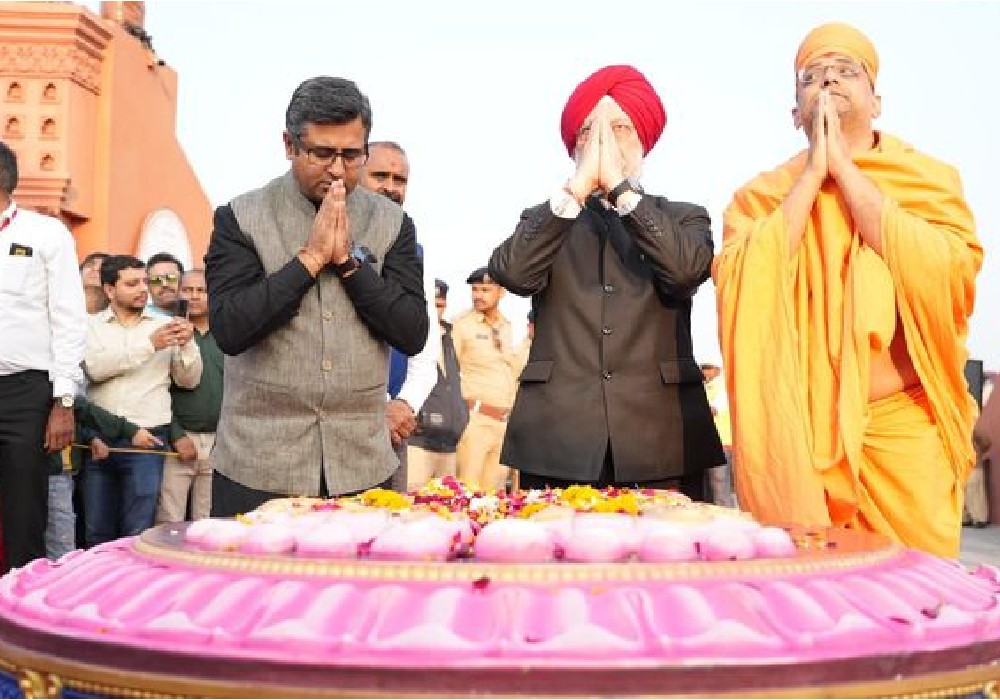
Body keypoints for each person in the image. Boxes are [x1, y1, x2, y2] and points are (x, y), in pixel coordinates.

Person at [713, 23, 982, 557]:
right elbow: (740, 280)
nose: (828, 82)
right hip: (802, 433)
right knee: (813, 604)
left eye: (845, 71)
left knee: (918, 596)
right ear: (795, 112)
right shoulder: (762, 196)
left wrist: (847, 174)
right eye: (811, 77)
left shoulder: (928, 179)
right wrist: (813, 174)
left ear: (876, 101)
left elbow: (950, 274)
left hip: (904, 428)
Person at [488, 65, 723, 498]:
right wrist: (578, 189)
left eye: (620, 128)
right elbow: (514, 273)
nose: (604, 142)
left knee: (668, 562)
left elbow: (685, 271)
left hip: (662, 436)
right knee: (559, 562)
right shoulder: (547, 220)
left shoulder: (684, 216)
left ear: (643, 142)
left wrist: (619, 187)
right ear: (573, 148)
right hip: (558, 438)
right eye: (589, 132)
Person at [205, 76, 428, 517]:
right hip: (258, 467)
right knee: (254, 588)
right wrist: (308, 261)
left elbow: (412, 332)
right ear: (289, 145)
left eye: (352, 154)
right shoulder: (240, 218)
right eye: (322, 153)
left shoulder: (393, 224)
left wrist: (348, 265)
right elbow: (230, 328)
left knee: (355, 587)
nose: (339, 170)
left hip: (362, 466)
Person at [0, 140, 87, 571]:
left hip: (24, 393)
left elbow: (69, 319)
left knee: (23, 512)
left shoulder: (45, 234)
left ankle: (17, 608)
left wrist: (63, 402)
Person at [83, 255, 202, 545]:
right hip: (98, 439)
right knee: (95, 530)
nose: (142, 289)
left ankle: (130, 590)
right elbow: (95, 369)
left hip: (149, 439)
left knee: (137, 531)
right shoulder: (89, 325)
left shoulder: (165, 325)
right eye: (132, 283)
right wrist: (150, 345)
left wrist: (187, 347)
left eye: (144, 282)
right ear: (110, 290)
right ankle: (98, 589)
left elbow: (189, 380)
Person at [358, 141, 440, 492]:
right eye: (379, 176)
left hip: (393, 426)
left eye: (399, 179)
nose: (390, 187)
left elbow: (425, 342)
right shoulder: (327, 236)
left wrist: (403, 405)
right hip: (339, 420)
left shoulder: (414, 251)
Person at [46, 397, 163, 559]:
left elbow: (76, 413)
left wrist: (90, 438)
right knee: (61, 551)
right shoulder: (58, 386)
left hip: (66, 473)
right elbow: (81, 407)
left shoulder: (65, 395)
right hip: (51, 473)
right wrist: (130, 431)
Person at [156, 269, 223, 523]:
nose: (194, 296)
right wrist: (176, 435)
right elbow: (156, 390)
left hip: (220, 442)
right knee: (169, 518)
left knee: (207, 521)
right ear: (178, 294)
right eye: (187, 290)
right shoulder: (167, 335)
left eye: (201, 290)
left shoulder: (228, 335)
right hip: (178, 441)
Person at [451, 267, 518, 492]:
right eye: (475, 289)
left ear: (501, 292)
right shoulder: (461, 325)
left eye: (485, 290)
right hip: (475, 421)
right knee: (467, 492)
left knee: (495, 496)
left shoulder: (506, 326)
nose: (478, 295)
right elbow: (449, 373)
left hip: (502, 423)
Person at [407, 279, 469, 490]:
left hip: (449, 443)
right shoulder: (409, 334)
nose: (435, 310)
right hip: (418, 442)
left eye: (440, 305)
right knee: (411, 508)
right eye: (431, 304)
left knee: (447, 510)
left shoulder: (450, 337)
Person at [700, 363, 735, 508]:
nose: (704, 373)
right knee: (710, 489)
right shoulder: (706, 386)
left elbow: (713, 409)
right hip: (709, 444)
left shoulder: (724, 386)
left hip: (723, 444)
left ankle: (728, 521)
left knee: (720, 486)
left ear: (717, 369)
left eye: (707, 369)